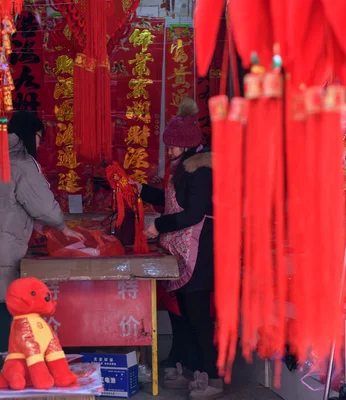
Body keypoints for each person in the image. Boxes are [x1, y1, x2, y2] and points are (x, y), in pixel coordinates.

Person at [0, 111, 83, 354]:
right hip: (3, 248)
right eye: (40, 137)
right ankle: (2, 371)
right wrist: (61, 225)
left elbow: (7, 204)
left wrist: (39, 227)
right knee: (3, 309)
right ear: (31, 135)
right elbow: (42, 204)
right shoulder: (20, 162)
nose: (40, 143)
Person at [135, 98, 221, 398]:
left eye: (172, 146)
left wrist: (158, 226)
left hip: (200, 252)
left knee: (198, 317)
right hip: (183, 251)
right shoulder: (184, 167)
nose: (168, 150)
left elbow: (194, 214)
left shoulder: (201, 171)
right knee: (183, 315)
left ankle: (213, 377)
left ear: (185, 145)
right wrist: (140, 190)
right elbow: (173, 201)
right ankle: (189, 368)